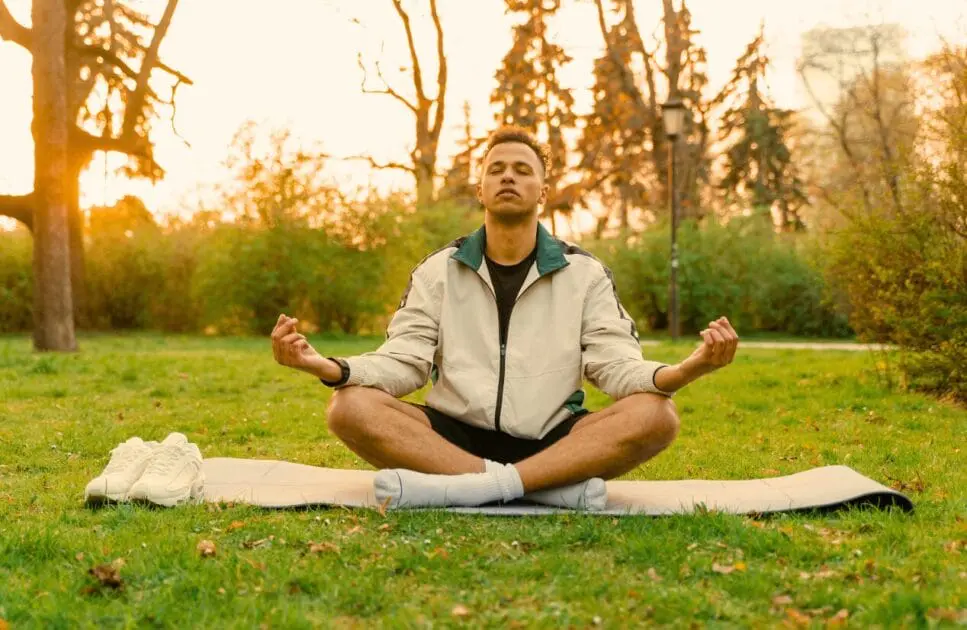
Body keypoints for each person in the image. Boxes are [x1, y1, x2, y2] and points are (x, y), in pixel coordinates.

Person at [271, 126, 739, 510]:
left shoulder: (585, 274)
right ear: (480, 190)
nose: (508, 177)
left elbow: (616, 365)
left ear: (543, 192)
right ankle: (540, 489)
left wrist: (685, 370)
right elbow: (404, 361)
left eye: (522, 170)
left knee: (657, 416)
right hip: (451, 440)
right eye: (496, 170)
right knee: (349, 407)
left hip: (553, 440)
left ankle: (477, 487)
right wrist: (327, 367)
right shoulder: (438, 270)